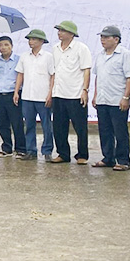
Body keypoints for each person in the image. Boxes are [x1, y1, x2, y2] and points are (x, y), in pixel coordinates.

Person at [91, 25, 130, 170]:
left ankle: (123, 160)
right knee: (104, 130)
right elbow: (99, 77)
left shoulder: (125, 54)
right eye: (101, 37)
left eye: (106, 37)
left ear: (116, 39)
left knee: (120, 131)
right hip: (103, 99)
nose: (102, 40)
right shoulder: (100, 55)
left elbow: (129, 77)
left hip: (117, 99)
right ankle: (108, 157)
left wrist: (126, 97)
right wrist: (96, 94)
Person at [49, 20, 92, 164]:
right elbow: (54, 71)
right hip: (58, 92)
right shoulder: (55, 48)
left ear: (71, 33)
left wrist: (85, 90)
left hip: (75, 93)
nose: (59, 33)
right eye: (58, 30)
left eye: (62, 30)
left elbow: (86, 70)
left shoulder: (81, 48)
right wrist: (51, 91)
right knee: (59, 126)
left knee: (80, 127)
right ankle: (63, 153)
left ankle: (82, 155)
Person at [13, 28, 54, 161]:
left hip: (43, 96)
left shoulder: (48, 57)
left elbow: (53, 76)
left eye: (34, 39)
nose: (31, 41)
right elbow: (20, 74)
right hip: (27, 97)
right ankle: (31, 150)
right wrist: (16, 91)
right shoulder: (24, 56)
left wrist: (50, 94)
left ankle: (47, 151)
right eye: (30, 39)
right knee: (29, 124)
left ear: (42, 41)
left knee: (46, 125)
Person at [0, 36, 24, 157]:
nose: (3, 48)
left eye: (6, 45)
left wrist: (18, 93)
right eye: (1, 45)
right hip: (0, 95)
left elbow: (21, 77)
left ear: (12, 46)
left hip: (13, 94)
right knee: (2, 123)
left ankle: (20, 148)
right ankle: (7, 148)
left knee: (17, 123)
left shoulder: (18, 60)